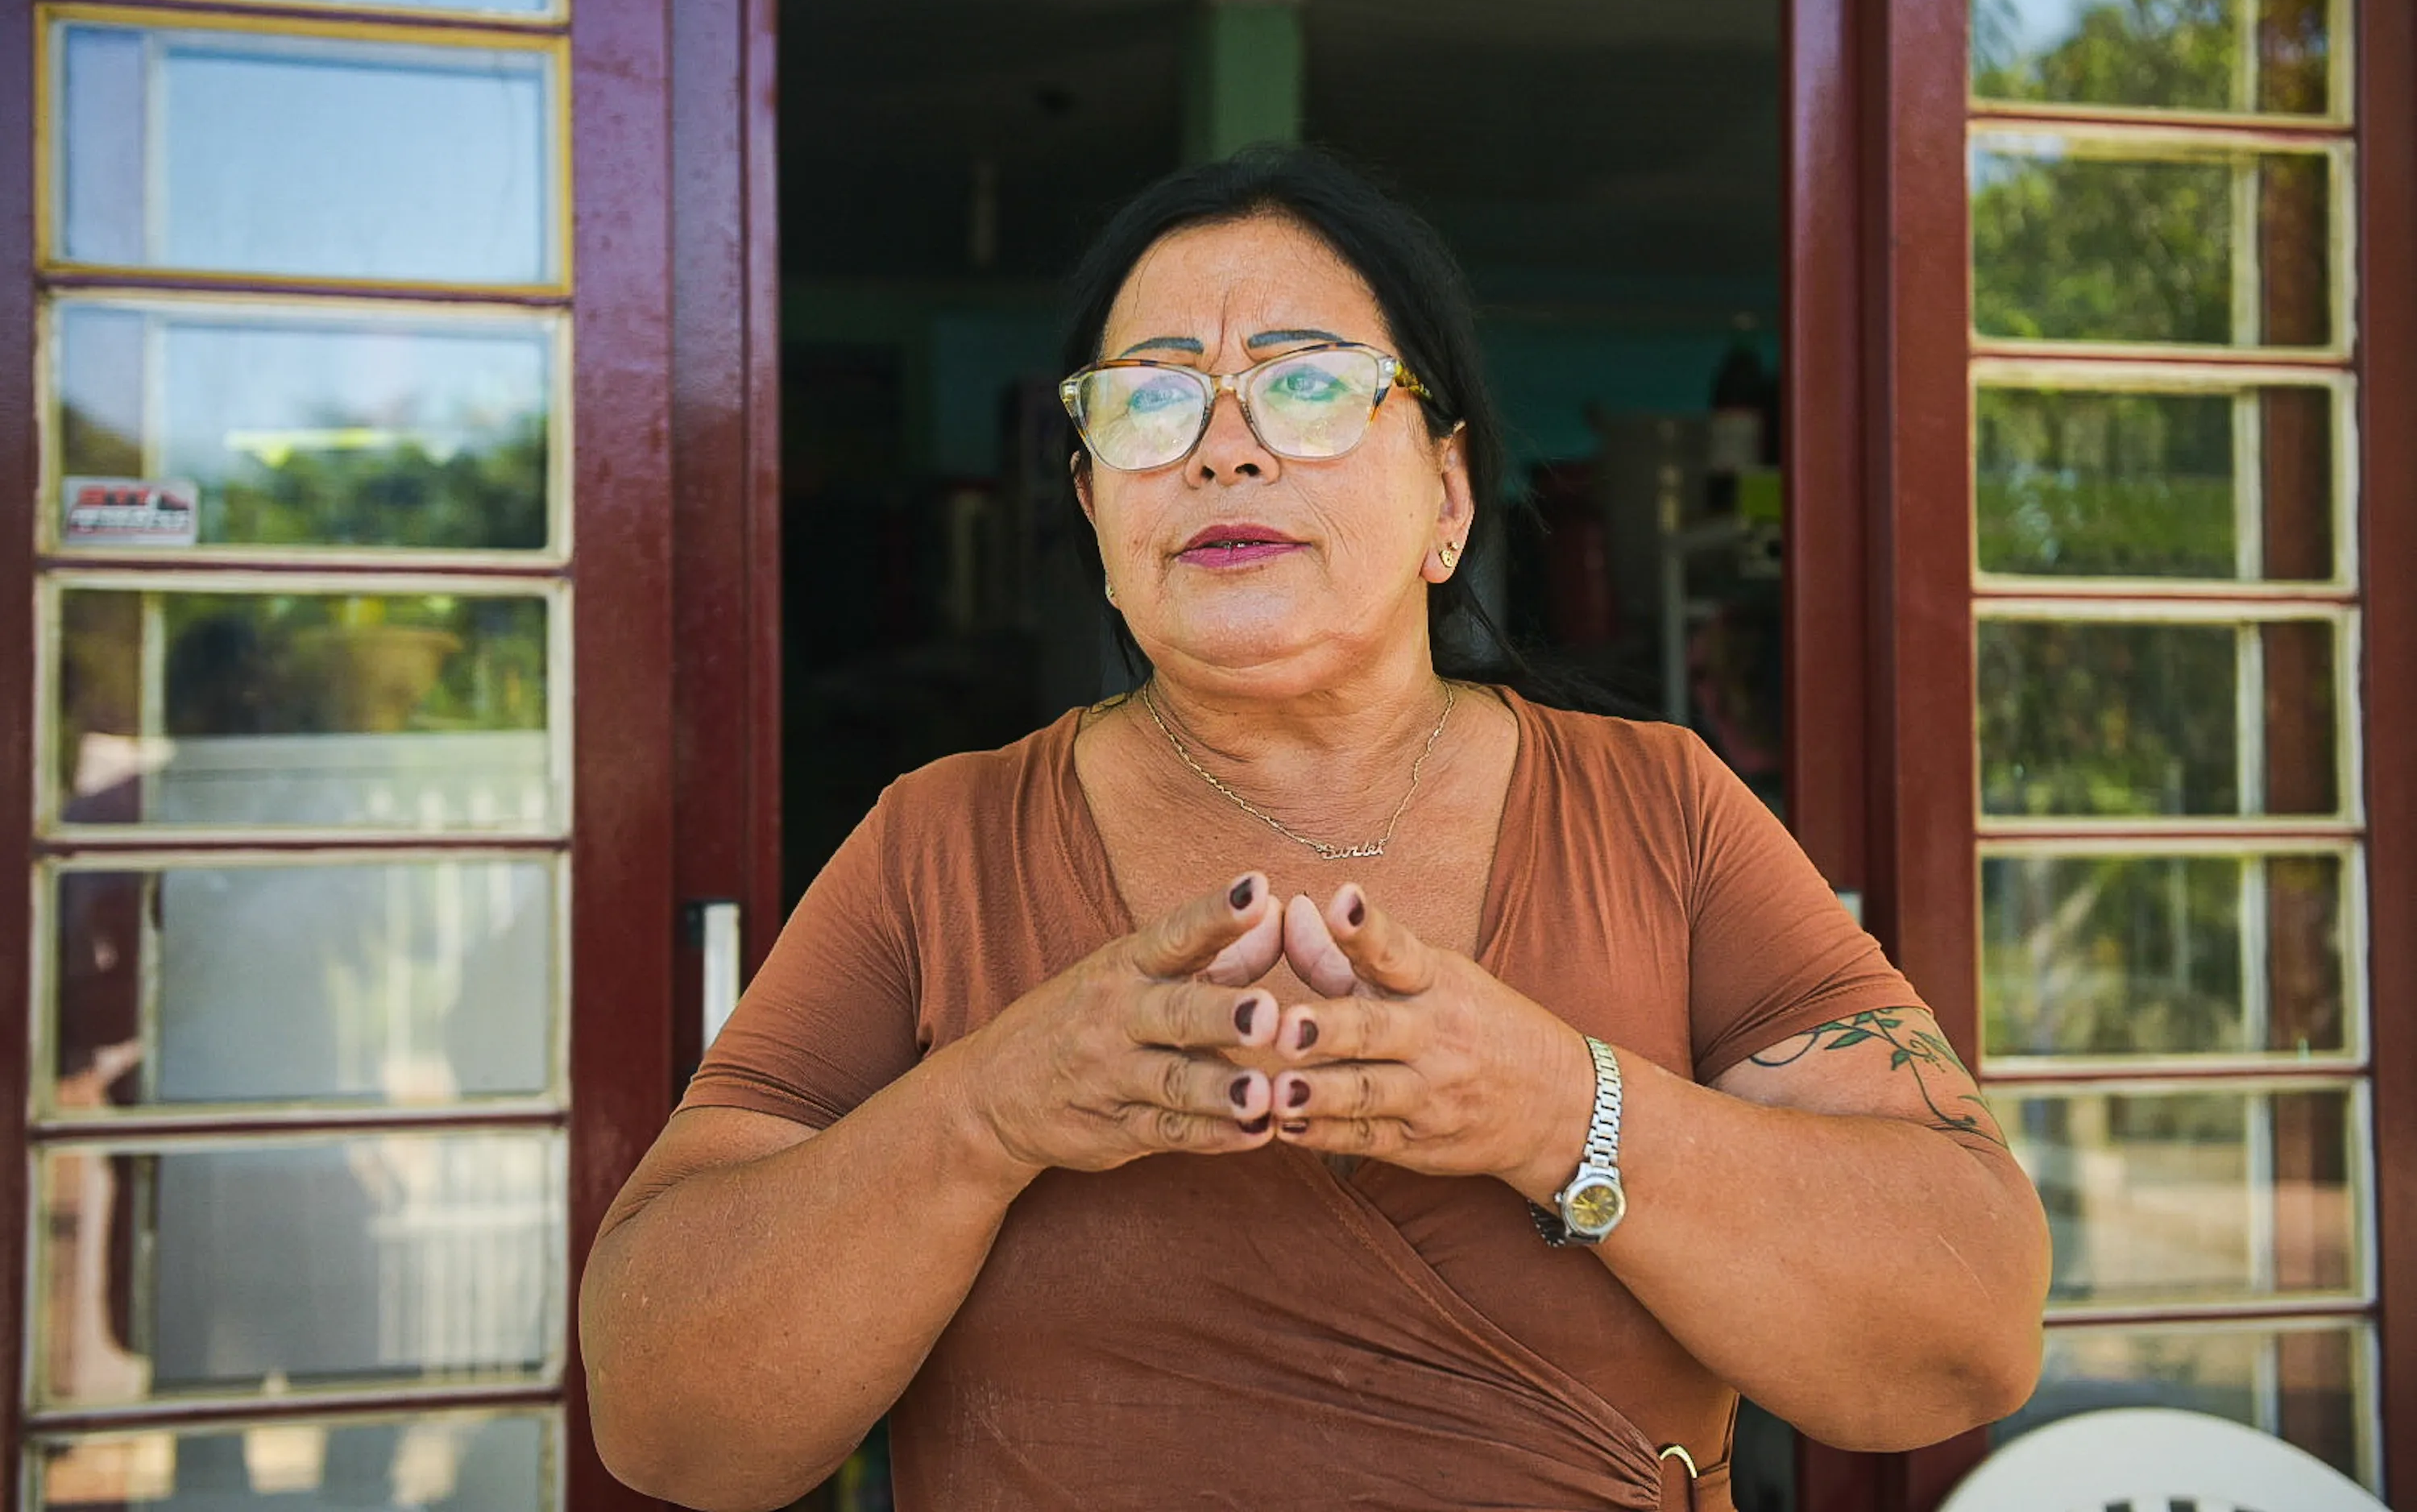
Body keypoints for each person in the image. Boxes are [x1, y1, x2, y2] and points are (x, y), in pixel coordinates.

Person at [580, 147, 2050, 1512]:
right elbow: (665, 1420)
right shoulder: (937, 846)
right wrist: (988, 1107)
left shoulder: (1658, 809)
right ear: (1094, 510)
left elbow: (1967, 1333)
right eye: (1151, 402)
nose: (1223, 450)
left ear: (1448, 499)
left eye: (1308, 386)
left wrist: (1554, 1106)